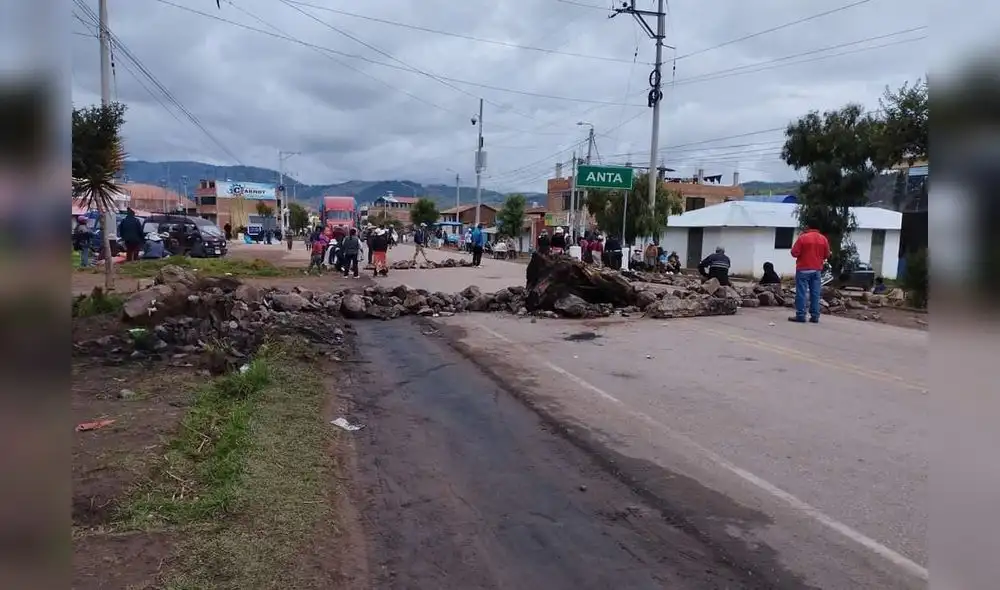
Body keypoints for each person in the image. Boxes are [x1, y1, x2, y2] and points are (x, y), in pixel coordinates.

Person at [789, 221, 831, 323]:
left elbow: (794, 253)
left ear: (808, 227)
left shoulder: (803, 237)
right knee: (815, 293)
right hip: (817, 270)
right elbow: (827, 255)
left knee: (802, 293)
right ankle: (815, 316)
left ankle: (801, 315)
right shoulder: (823, 239)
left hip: (803, 269)